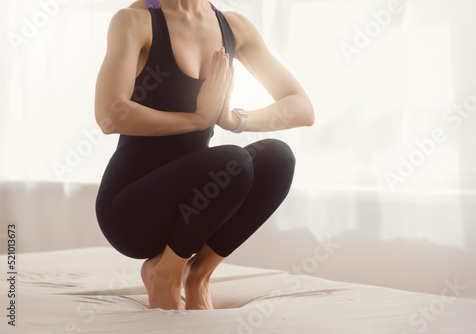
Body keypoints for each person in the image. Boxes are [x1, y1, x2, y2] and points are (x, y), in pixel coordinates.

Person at [94, 0, 314, 311]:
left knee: (277, 158)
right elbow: (109, 116)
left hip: (194, 211)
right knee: (234, 163)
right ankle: (165, 273)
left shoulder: (233, 27)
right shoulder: (135, 21)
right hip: (131, 211)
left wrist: (234, 119)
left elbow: (302, 108)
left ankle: (197, 275)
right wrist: (198, 119)